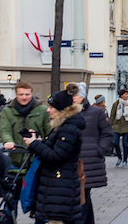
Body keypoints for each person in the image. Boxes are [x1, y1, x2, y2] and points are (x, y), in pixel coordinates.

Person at [24, 84, 85, 224]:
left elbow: (56, 157)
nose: (48, 110)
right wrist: (39, 142)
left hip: (60, 187)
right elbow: (55, 149)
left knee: (56, 221)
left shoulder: (68, 129)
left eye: (52, 107)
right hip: (57, 186)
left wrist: (34, 144)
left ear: (62, 110)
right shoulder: (64, 126)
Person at [72, 82, 113, 224]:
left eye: (76, 95)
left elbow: (108, 134)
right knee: (84, 196)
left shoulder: (96, 113)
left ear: (83, 96)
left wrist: (99, 150)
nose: (73, 98)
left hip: (90, 162)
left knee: (82, 195)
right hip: (74, 162)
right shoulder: (68, 112)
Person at [0, 81, 51, 169]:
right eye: (21, 94)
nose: (24, 97)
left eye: (27, 94)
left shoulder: (43, 110)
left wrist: (43, 141)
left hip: (38, 158)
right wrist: (8, 141)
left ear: (32, 94)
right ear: (16, 94)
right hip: (15, 158)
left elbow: (49, 131)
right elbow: (5, 129)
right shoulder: (8, 110)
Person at [109, 89, 128, 168]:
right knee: (115, 143)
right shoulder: (116, 104)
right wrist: (110, 125)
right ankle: (119, 157)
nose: (127, 95)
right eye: (125, 94)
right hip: (117, 126)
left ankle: (125, 160)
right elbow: (112, 115)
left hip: (126, 126)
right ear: (121, 95)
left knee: (125, 144)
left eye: (127, 94)